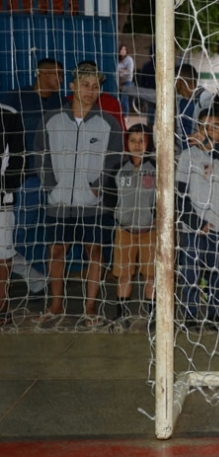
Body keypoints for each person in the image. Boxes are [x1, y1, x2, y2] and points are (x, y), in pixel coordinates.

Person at [36, 61, 124, 326]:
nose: (90, 91)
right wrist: (52, 186)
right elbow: (40, 155)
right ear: (72, 86)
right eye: (85, 85)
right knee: (57, 252)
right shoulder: (51, 119)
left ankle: (90, 309)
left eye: (95, 87)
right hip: (59, 202)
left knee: (95, 253)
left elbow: (115, 159)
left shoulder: (108, 123)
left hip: (93, 204)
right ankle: (56, 304)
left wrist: (98, 185)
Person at [2, 57, 64, 294]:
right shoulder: (14, 99)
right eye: (55, 74)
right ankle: (34, 276)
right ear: (40, 73)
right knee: (12, 235)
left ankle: (42, 282)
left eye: (61, 74)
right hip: (25, 180)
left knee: (49, 235)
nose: (60, 79)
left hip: (55, 180)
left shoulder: (62, 103)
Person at [176, 109, 219, 327]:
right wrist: (195, 222)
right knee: (190, 271)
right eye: (206, 127)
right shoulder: (187, 155)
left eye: (216, 127)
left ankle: (215, 313)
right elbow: (180, 192)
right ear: (198, 129)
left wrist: (212, 147)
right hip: (194, 226)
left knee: (218, 270)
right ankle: (190, 313)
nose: (210, 132)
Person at [111, 124, 157, 326]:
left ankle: (153, 316)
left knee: (151, 275)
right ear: (126, 143)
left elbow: (165, 197)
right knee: (124, 274)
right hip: (125, 231)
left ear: (149, 142)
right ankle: (122, 315)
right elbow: (109, 197)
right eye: (133, 140)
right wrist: (118, 216)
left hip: (150, 232)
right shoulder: (118, 168)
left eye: (142, 140)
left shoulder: (157, 167)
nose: (137, 145)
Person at [0, 107, 26, 325]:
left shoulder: (8, 115)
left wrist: (4, 187)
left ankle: (2, 308)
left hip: (2, 201)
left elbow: (18, 160)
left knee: (3, 255)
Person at [117, 45, 134, 116]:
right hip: (119, 82)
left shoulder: (129, 59)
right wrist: (123, 70)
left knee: (124, 99)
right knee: (119, 99)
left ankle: (125, 116)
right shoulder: (118, 60)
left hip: (127, 81)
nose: (123, 51)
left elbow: (129, 71)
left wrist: (121, 73)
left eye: (124, 50)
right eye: (121, 49)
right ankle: (121, 114)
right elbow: (116, 70)